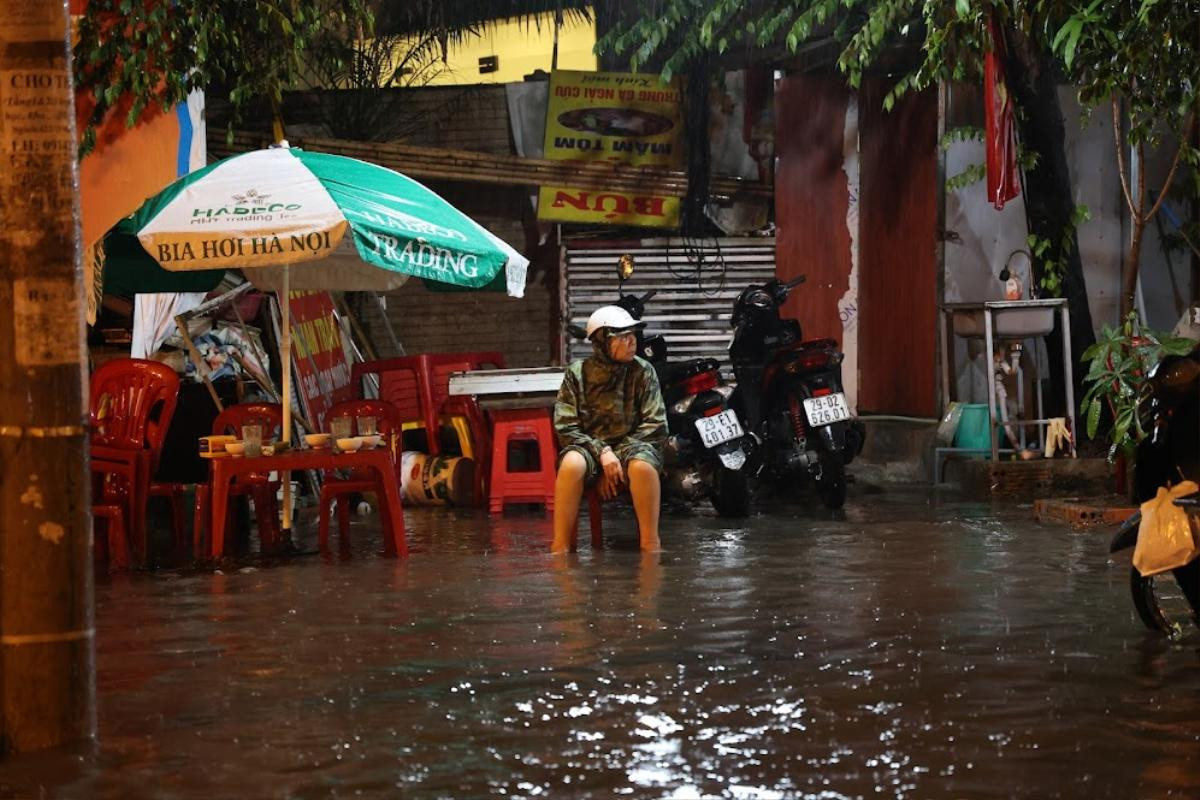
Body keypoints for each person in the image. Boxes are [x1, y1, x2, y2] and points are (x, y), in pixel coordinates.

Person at [551, 305, 666, 552]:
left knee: (642, 466)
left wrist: (616, 456)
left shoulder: (643, 371)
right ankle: (559, 547)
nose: (631, 341)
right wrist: (603, 453)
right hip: (591, 452)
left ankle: (650, 544)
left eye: (633, 334)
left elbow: (655, 425)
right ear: (602, 341)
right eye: (622, 337)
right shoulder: (577, 374)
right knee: (571, 464)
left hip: (633, 448)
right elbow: (565, 427)